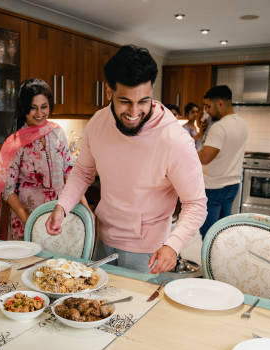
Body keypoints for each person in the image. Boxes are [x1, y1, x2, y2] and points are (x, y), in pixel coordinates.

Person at [45, 45, 207, 274]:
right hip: (103, 239)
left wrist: (174, 244)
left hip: (149, 251)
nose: (134, 112)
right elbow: (83, 172)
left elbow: (196, 204)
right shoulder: (98, 123)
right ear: (109, 92)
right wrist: (62, 207)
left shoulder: (175, 140)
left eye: (143, 101)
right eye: (125, 101)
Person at [0, 78, 88, 239]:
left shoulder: (57, 133)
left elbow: (70, 172)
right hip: (25, 221)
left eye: (44, 107)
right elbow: (7, 190)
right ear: (24, 108)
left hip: (58, 217)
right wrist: (29, 221)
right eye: (33, 108)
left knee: (56, 263)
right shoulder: (15, 143)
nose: (40, 113)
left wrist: (86, 209)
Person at [197, 85, 247, 238]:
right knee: (222, 231)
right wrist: (202, 131)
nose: (206, 110)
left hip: (213, 187)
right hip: (232, 184)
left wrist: (186, 153)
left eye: (208, 106)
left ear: (219, 103)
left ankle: (210, 261)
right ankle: (220, 260)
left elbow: (205, 158)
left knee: (209, 232)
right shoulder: (241, 123)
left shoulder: (219, 127)